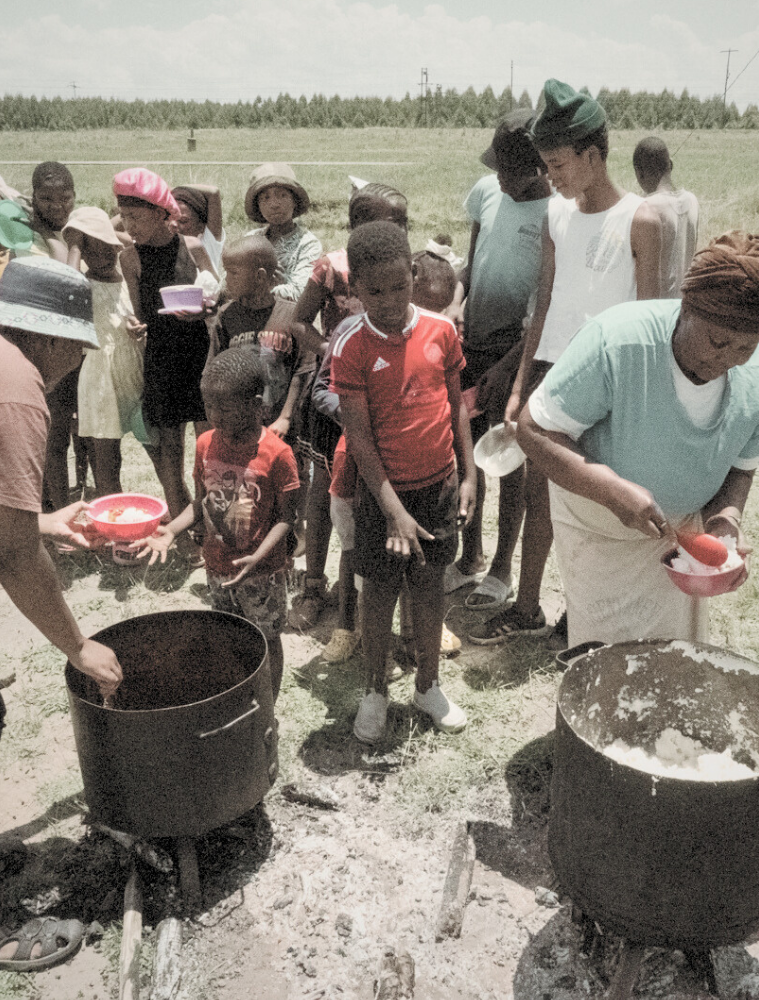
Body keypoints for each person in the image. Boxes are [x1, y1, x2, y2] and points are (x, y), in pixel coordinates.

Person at [469, 79, 662, 644]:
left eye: (557, 163)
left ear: (593, 155)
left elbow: (649, 319)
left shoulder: (641, 220)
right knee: (539, 493)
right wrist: (519, 385)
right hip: (554, 374)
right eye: (546, 164)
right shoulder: (556, 215)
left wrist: (640, 402)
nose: (551, 175)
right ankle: (527, 605)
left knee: (600, 504)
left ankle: (587, 620)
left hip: (614, 380)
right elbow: (545, 305)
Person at [517, 231, 759, 647]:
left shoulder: (752, 373)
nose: (726, 360)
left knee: (672, 656)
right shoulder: (618, 342)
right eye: (717, 341)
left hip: (679, 542)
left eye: (745, 347)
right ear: (685, 309)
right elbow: (534, 430)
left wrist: (725, 519)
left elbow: (740, 464)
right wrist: (610, 489)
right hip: (599, 530)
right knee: (606, 663)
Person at [331, 221, 477, 743]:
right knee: (381, 592)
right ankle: (375, 691)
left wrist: (468, 472)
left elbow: (456, 405)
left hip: (437, 486)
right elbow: (361, 441)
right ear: (354, 289)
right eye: (374, 291)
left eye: (399, 286)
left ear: (413, 275)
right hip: (382, 495)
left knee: (431, 584)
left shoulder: (442, 330)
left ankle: (428, 684)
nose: (389, 300)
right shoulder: (349, 345)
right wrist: (393, 509)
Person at [135, 349, 299, 702]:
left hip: (262, 573)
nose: (214, 415)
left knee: (267, 638)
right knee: (228, 635)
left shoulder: (277, 454)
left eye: (224, 407)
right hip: (217, 567)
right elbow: (202, 501)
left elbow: (288, 518)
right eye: (209, 406)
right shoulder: (205, 444)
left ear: (256, 405)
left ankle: (267, 705)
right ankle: (239, 698)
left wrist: (259, 558)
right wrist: (172, 529)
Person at [288, 182, 409, 631]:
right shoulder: (330, 269)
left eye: (403, 223)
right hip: (338, 397)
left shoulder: (404, 268)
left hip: (388, 401)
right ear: (357, 227)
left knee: (381, 491)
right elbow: (299, 321)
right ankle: (315, 586)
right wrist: (333, 354)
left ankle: (377, 590)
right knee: (326, 493)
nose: (397, 231)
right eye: (386, 223)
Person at [444, 111, 552, 611]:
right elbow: (469, 261)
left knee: (506, 458)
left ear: (540, 168)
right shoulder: (486, 191)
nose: (503, 179)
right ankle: (470, 556)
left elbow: (541, 311)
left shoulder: (554, 216)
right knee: (467, 455)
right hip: (471, 342)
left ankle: (502, 568)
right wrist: (455, 304)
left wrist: (510, 367)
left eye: (513, 171)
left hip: (515, 352)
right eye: (499, 168)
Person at [116, 168, 215, 535]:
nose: (130, 225)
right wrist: (134, 325)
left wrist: (208, 308)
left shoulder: (192, 248)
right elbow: (139, 315)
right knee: (170, 450)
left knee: (207, 447)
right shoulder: (131, 258)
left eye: (137, 217)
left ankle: (209, 522)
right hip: (160, 361)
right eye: (124, 217)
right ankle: (182, 525)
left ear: (162, 212)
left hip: (199, 357)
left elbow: (215, 293)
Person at [63, 207, 148, 495]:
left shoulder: (126, 279)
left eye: (109, 249)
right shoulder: (81, 284)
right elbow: (67, 287)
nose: (104, 256)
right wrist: (74, 243)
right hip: (100, 381)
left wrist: (137, 327)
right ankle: (113, 519)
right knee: (107, 459)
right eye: (93, 250)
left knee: (153, 442)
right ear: (82, 254)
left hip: (133, 371)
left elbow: (133, 314)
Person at [206, 235, 310, 442]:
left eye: (233, 273)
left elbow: (303, 370)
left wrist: (285, 417)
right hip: (238, 426)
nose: (227, 279)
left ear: (260, 277)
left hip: (281, 427)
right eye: (226, 272)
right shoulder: (227, 316)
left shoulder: (291, 315)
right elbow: (213, 371)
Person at [244, 162, 322, 302]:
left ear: (294, 201)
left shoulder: (307, 243)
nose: (274, 204)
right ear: (258, 205)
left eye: (282, 195)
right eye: (266, 198)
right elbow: (230, 283)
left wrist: (274, 282)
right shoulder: (250, 240)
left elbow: (299, 292)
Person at [633, 136, 699, 297]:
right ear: (670, 165)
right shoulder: (692, 201)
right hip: (683, 303)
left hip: (656, 308)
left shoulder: (646, 209)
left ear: (639, 174)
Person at [172, 183, 225, 278]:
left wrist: (168, 189)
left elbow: (213, 192)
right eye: (171, 219)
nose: (175, 225)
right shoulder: (169, 243)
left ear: (201, 226)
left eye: (183, 221)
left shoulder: (209, 241)